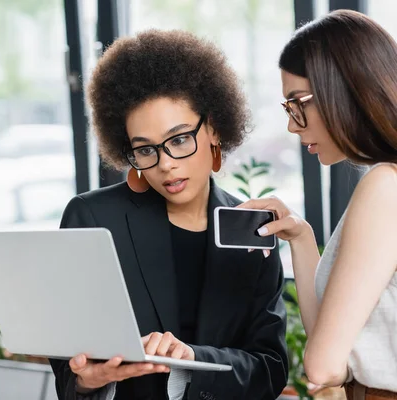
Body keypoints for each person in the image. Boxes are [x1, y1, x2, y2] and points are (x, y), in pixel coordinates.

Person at [49, 29, 289, 400]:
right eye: (145, 150)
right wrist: (87, 381)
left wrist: (193, 359)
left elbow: (269, 370)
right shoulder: (93, 218)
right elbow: (68, 365)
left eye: (178, 140)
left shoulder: (252, 228)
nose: (165, 165)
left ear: (212, 129)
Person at [240, 9, 397, 399]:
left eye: (298, 103)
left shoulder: (384, 186)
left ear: (343, 89)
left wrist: (340, 367)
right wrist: (301, 237)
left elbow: (322, 365)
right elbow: (327, 347)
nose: (292, 124)